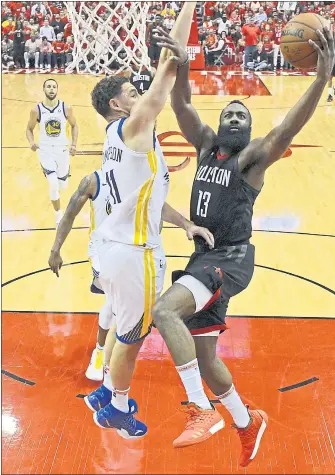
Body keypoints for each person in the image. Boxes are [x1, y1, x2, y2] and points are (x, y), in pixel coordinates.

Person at [150, 25, 335, 466]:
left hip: (229, 260)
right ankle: (245, 421)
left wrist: (319, 80)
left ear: (250, 130)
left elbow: (287, 129)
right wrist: (181, 63)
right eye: (229, 114)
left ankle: (200, 409)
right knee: (206, 356)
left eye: (242, 117)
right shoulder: (205, 145)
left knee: (163, 311)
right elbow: (182, 103)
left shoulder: (250, 159)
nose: (234, 118)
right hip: (203, 256)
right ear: (218, 123)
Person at [82, 2, 214, 440]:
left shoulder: (118, 136)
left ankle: (105, 390)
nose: (140, 94)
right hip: (135, 254)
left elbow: (151, 200)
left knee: (123, 326)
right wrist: (190, 13)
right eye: (131, 92)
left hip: (114, 247)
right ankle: (117, 408)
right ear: (118, 103)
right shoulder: (135, 128)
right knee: (133, 337)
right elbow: (169, 71)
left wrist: (184, 224)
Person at [48, 170, 113, 381]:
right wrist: (55, 250)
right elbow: (69, 214)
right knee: (115, 300)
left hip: (131, 247)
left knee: (123, 305)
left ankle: (107, 349)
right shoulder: (93, 181)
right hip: (102, 251)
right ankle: (100, 352)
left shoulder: (140, 174)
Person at [26, 79, 78, 226]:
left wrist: (74, 144)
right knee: (53, 184)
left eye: (54, 86)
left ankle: (63, 175)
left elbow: (75, 126)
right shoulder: (36, 110)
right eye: (48, 86)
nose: (51, 89)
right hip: (45, 151)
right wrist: (31, 142)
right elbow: (29, 129)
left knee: (63, 186)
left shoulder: (66, 108)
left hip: (62, 151)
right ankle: (58, 215)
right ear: (44, 89)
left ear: (57, 89)